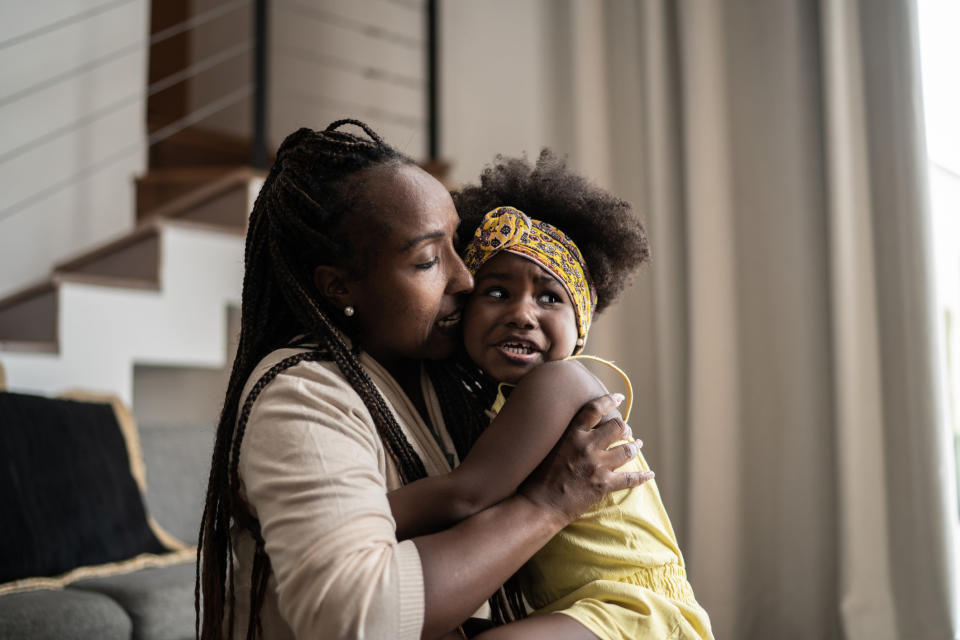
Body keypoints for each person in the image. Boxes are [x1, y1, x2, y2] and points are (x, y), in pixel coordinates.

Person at [196, 121, 652, 640]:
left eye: (459, 245)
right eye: (429, 259)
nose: (466, 279)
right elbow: (357, 618)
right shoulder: (303, 397)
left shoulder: (458, 378)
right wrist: (545, 506)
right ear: (339, 285)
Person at [389, 152, 713, 639]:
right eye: (497, 292)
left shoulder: (559, 383)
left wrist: (351, 517)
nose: (523, 314)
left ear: (578, 327)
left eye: (549, 298)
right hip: (578, 609)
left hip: (631, 606)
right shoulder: (486, 400)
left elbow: (466, 496)